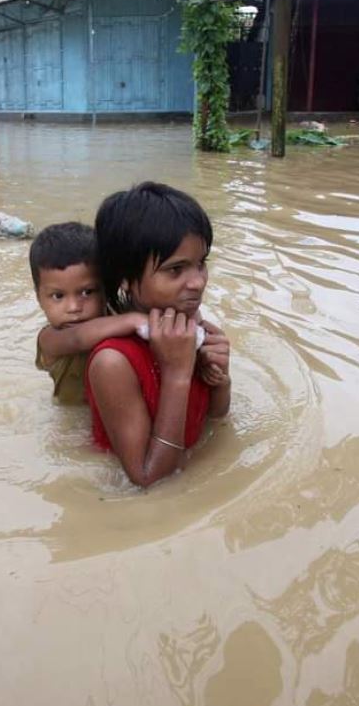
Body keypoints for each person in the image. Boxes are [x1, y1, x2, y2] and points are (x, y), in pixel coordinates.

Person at [87, 182, 231, 487]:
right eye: (176, 270)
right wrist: (178, 373)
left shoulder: (188, 322)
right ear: (126, 278)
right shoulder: (113, 362)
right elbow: (148, 479)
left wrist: (221, 378)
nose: (197, 282)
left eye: (201, 263)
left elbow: (214, 421)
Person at [30, 222, 149, 405]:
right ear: (38, 298)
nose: (73, 307)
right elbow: (77, 339)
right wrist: (134, 320)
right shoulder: (49, 339)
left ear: (107, 289)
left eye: (87, 292)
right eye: (58, 296)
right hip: (73, 416)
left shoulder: (117, 315)